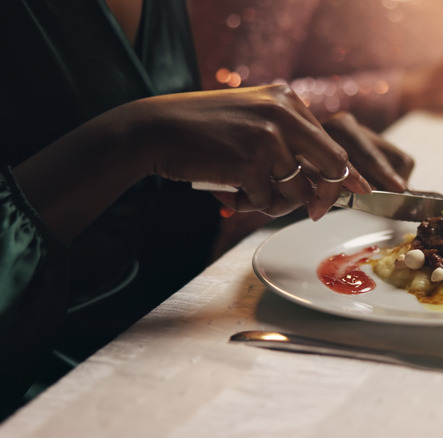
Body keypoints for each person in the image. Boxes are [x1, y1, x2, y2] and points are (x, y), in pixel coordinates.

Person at [0, 0, 413, 418]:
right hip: (40, 389)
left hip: (154, 348)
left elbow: (147, 210)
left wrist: (286, 163)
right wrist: (137, 138)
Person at [188, 0, 443, 132]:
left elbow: (389, 23)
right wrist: (412, 87)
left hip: (427, 146)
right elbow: (236, 104)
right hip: (319, 201)